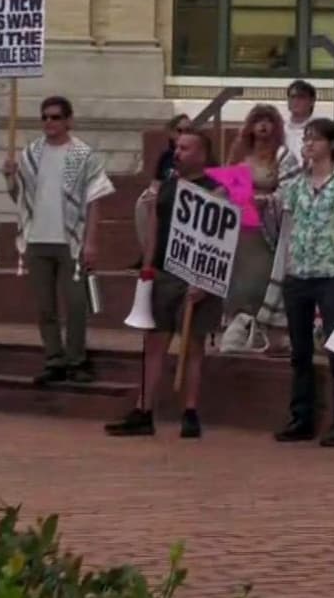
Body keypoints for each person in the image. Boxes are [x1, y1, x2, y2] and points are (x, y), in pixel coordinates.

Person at [106, 131, 223, 438]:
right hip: (163, 275)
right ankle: (144, 411)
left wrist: (207, 284)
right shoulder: (168, 187)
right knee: (153, 343)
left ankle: (191, 411)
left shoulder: (216, 191)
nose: (178, 153)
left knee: (193, 346)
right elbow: (154, 230)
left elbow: (223, 244)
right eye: (177, 148)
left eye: (185, 148)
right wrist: (147, 269)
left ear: (202, 154)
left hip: (197, 279)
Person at [2, 96, 115, 385]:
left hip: (71, 241)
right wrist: (9, 179)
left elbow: (94, 201)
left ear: (68, 120)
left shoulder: (83, 155)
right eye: (45, 118)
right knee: (45, 306)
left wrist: (91, 242)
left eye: (55, 117)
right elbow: (21, 199)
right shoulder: (31, 154)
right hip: (38, 239)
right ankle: (54, 359)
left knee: (76, 303)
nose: (49, 123)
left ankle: (76, 360)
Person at [269, 118, 334, 447]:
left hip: (330, 274)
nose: (308, 145)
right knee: (300, 352)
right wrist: (285, 270)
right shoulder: (295, 185)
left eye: (316, 139)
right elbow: (288, 229)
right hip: (298, 274)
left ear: (332, 146)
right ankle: (301, 417)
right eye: (306, 139)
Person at [219, 104, 302, 352]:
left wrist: (266, 201)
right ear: (250, 126)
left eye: (268, 121)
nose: (263, 126)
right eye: (258, 121)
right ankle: (237, 328)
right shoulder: (239, 153)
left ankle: (260, 330)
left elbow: (291, 189)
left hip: (267, 229)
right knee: (239, 279)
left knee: (261, 278)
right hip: (239, 228)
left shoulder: (283, 156)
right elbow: (226, 185)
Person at [134, 114, 193, 256]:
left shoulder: (196, 153)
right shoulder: (166, 157)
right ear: (171, 132)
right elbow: (156, 182)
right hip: (167, 194)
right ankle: (148, 252)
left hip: (188, 197)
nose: (184, 134)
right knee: (143, 202)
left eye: (189, 131)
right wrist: (152, 193)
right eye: (180, 131)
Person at [284, 80, 316, 164]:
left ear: (312, 101)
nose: (296, 101)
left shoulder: (321, 131)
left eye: (301, 97)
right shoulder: (279, 130)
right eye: (292, 97)